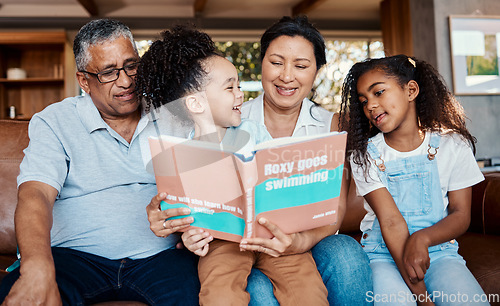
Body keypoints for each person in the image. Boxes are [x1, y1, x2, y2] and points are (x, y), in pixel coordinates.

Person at [0, 19, 200, 305]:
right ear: (84, 81)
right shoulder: (55, 121)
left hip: (162, 258)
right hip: (74, 259)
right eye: (108, 72)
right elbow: (35, 194)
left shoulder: (171, 114)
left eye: (131, 65)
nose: (126, 81)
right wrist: (36, 266)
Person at [135, 24, 329, 306]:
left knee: (307, 290)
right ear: (197, 104)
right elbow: (183, 211)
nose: (240, 94)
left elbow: (275, 178)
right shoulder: (180, 153)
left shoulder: (253, 131)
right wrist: (190, 235)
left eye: (239, 85)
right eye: (230, 88)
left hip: (272, 235)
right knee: (220, 293)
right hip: (221, 242)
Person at [240, 15, 373, 305]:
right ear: (261, 62)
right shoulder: (232, 119)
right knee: (259, 293)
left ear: (315, 72)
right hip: (247, 246)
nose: (287, 76)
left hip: (310, 241)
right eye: (276, 62)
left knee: (347, 254)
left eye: (300, 66)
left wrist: (299, 242)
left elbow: (334, 209)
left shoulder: (331, 125)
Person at [339, 54, 488, 305]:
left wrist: (423, 238)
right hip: (383, 254)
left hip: (440, 252)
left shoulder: (454, 145)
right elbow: (391, 221)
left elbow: (461, 214)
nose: (370, 106)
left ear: (411, 90)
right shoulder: (364, 155)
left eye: (379, 93)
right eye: (364, 101)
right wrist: (421, 296)